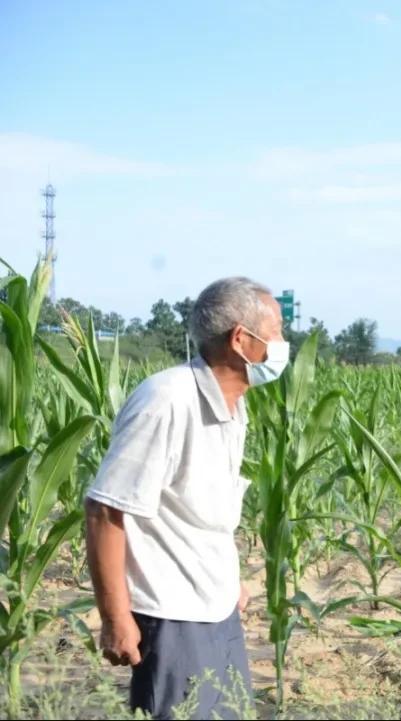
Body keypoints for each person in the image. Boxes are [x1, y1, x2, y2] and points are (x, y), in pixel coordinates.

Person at [85, 277, 289, 720]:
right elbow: (105, 508)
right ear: (241, 339)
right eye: (276, 333)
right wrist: (116, 618)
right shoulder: (167, 400)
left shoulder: (234, 407)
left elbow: (202, 510)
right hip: (173, 615)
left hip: (216, 605)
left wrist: (228, 579)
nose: (282, 344)